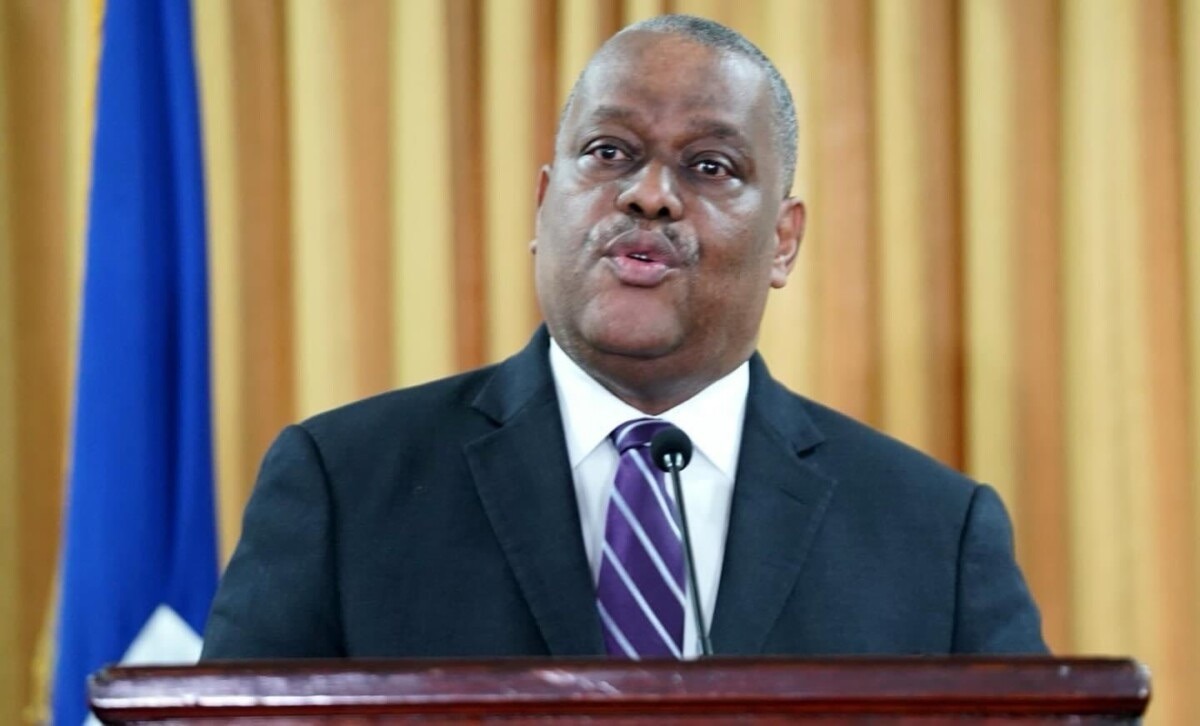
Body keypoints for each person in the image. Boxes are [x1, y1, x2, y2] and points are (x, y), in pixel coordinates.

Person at [202, 15, 1045, 660]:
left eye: (710, 166)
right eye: (609, 152)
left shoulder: (933, 534)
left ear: (784, 241)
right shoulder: (345, 485)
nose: (649, 194)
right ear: (544, 205)